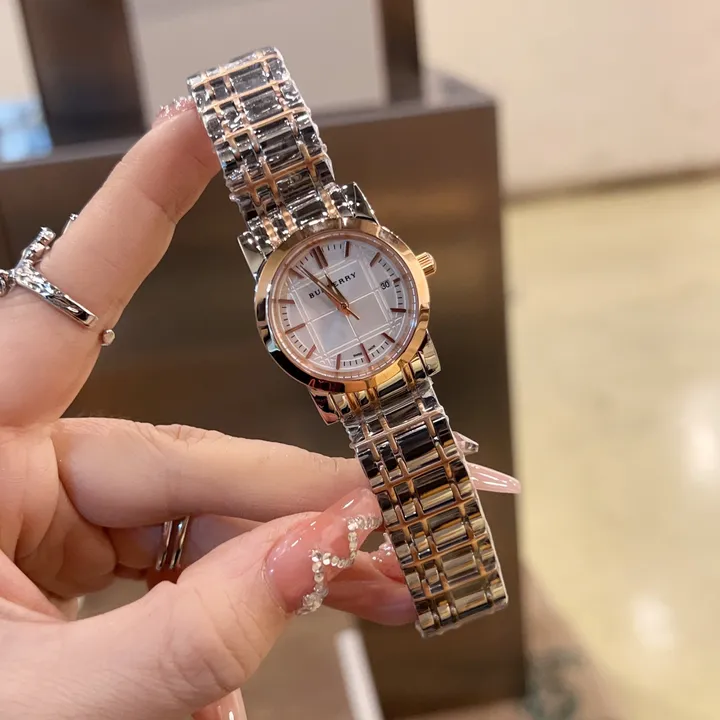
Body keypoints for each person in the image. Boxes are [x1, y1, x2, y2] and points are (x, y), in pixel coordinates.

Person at [0, 99, 520, 720]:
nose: (343, 308)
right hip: (360, 377)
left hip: (389, 364)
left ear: (411, 273)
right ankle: (457, 575)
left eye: (364, 289)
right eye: (324, 307)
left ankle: (463, 573)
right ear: (279, 326)